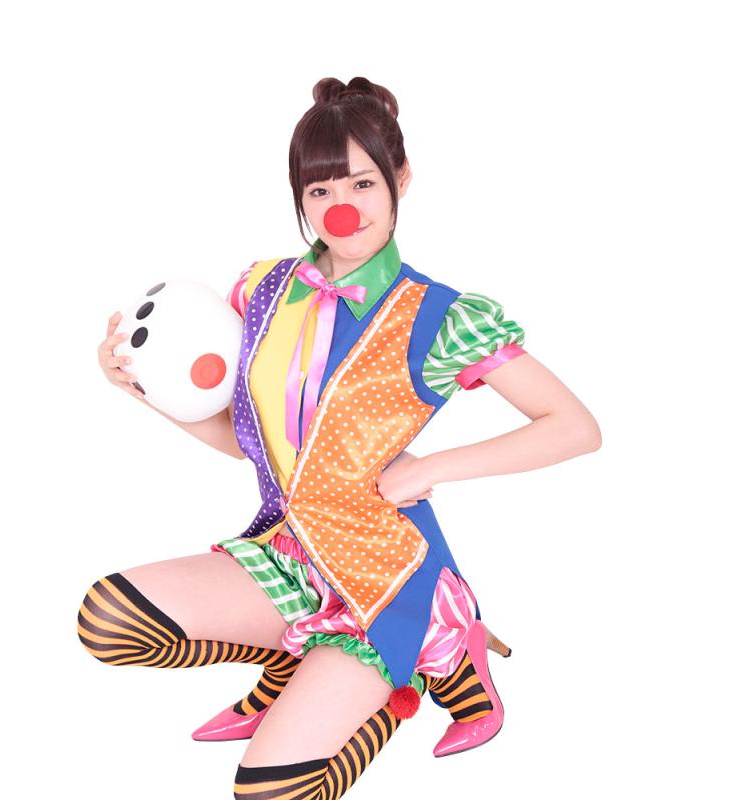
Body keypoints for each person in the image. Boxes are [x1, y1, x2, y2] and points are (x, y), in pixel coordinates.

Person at [79, 76, 602, 799]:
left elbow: (574, 428)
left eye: (362, 182)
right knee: (110, 620)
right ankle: (295, 656)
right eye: (320, 189)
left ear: (400, 180)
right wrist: (139, 389)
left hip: (384, 581)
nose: (341, 207)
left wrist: (429, 469)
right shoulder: (262, 289)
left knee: (269, 792)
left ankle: (435, 650)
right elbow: (247, 442)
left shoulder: (442, 316)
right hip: (290, 555)